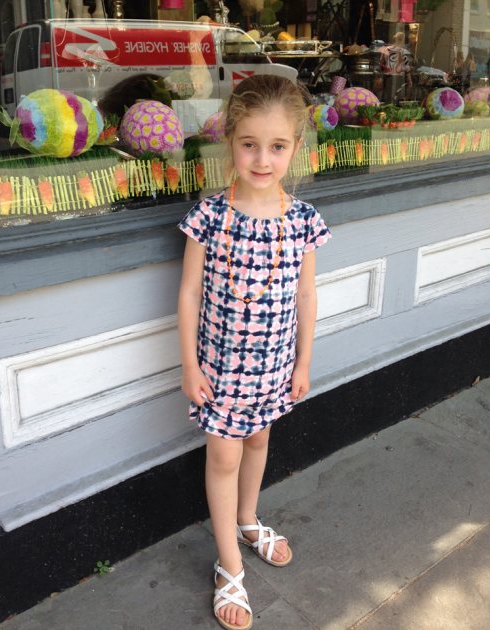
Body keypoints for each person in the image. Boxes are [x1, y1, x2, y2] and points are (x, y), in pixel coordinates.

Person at [177, 74, 330, 629]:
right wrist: (190, 364)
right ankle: (230, 565)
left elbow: (307, 294)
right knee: (224, 455)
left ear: (295, 146)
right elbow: (190, 292)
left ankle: (247, 518)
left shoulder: (304, 220)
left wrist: (303, 361)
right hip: (219, 368)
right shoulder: (211, 217)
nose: (262, 159)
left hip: (273, 365)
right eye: (249, 144)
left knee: (260, 438)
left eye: (277, 146)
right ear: (231, 142)